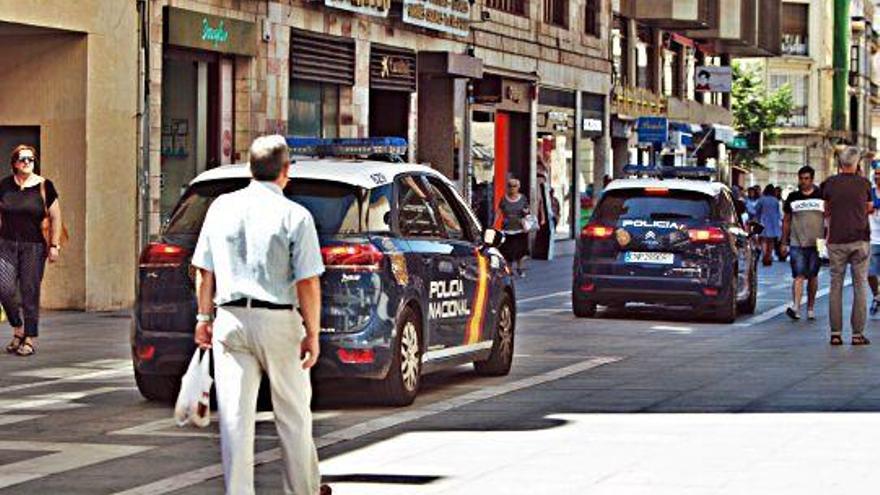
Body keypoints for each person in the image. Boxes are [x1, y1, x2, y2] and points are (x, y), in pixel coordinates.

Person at [191, 135, 331, 495]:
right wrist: (312, 333)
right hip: (279, 320)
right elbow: (308, 282)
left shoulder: (221, 207)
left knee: (236, 421)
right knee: (293, 416)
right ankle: (302, 490)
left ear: (251, 168)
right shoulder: (295, 215)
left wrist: (203, 319)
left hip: (230, 320)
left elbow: (204, 272)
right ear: (286, 171)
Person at [0, 145, 63, 357]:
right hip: (6, 244)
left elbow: (56, 217)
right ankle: (18, 327)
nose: (27, 162)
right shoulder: (5, 186)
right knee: (4, 288)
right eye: (22, 159)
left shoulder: (45, 186)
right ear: (14, 163)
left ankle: (29, 337)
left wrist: (54, 245)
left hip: (34, 247)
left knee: (30, 290)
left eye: (30, 159)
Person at [822, 146, 873, 346]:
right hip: (860, 239)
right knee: (860, 286)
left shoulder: (829, 184)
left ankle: (835, 333)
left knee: (836, 286)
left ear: (840, 164)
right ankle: (857, 334)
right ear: (857, 163)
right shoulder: (864, 184)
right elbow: (869, 208)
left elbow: (825, 210)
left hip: (836, 239)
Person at [781, 166, 824, 321]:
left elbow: (829, 218)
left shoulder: (822, 195)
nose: (803, 181)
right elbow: (786, 220)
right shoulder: (793, 197)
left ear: (812, 179)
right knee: (798, 275)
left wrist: (829, 238)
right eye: (801, 178)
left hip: (818, 242)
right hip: (796, 242)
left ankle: (811, 308)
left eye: (806, 178)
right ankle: (796, 307)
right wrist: (783, 242)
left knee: (813, 275)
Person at [497, 177, 530, 277]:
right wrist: (495, 224)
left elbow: (527, 211)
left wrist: (525, 213)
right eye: (510, 186)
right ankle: (509, 270)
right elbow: (499, 211)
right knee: (508, 252)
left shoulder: (523, 198)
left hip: (519, 229)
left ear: (518, 187)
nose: (512, 188)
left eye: (514, 186)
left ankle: (519, 268)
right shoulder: (504, 199)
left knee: (520, 251)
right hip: (507, 229)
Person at [755, 184, 782, 266]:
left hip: (763, 221)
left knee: (763, 240)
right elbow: (778, 213)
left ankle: (764, 256)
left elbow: (757, 210)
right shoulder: (775, 200)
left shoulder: (761, 199)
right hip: (774, 222)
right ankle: (769, 256)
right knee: (771, 241)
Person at [868, 166, 880, 315]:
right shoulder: (869, 193)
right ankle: (876, 296)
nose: (878, 176)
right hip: (871, 238)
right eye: (876, 174)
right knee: (869, 273)